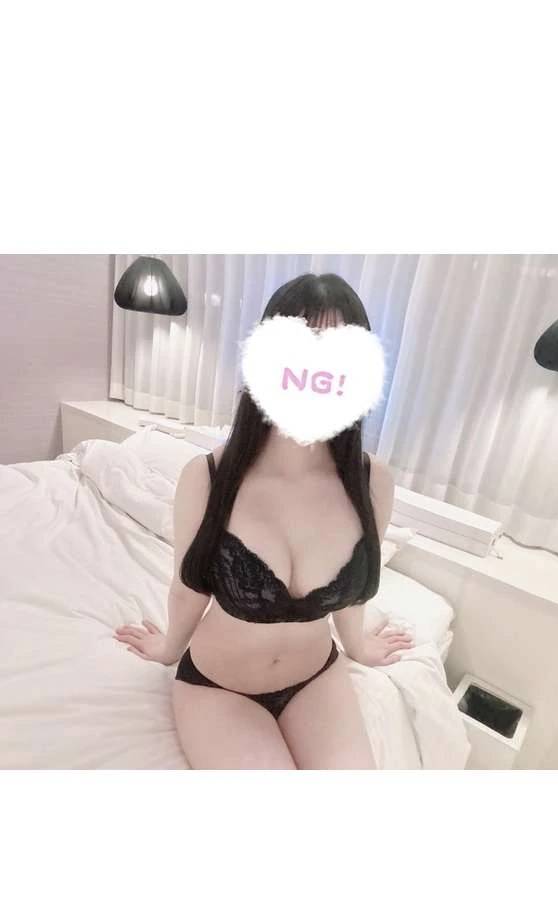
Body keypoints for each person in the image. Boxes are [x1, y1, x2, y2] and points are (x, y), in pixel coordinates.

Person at [114, 273, 413, 768]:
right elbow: (187, 590)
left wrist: (358, 646)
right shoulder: (208, 478)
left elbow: (355, 593)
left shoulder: (371, 481)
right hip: (220, 688)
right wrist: (167, 649)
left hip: (317, 677)